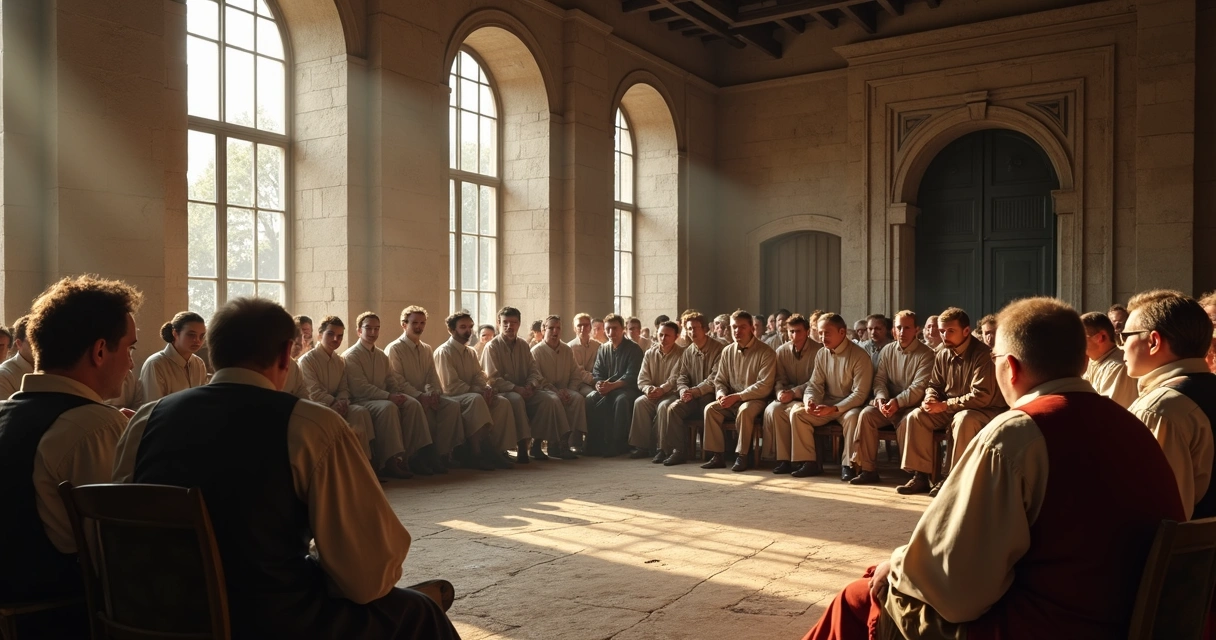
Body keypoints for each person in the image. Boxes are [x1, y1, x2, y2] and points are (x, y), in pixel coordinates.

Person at [802, 297, 1186, 640]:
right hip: (1129, 616)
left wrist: (895, 567)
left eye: (996, 359)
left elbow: (955, 590)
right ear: (1083, 362)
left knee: (858, 598)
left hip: (1050, 625)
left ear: (1012, 368)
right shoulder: (1133, 423)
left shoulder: (1017, 433)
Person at [113, 297, 460, 640]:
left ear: (212, 352)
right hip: (269, 620)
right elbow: (367, 576)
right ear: (285, 355)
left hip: (159, 613)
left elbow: (118, 533)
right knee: (419, 611)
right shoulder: (309, 425)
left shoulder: (146, 420)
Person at [0, 275, 139, 624]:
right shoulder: (95, 427)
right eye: (130, 349)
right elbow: (116, 557)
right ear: (100, 350)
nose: (132, 364)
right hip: (59, 620)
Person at [1124, 289, 1216, 519]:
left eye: (1125, 336)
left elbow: (1160, 511)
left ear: (1154, 341)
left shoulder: (1158, 409)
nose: (1122, 347)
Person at [897, 308, 1007, 496]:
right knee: (916, 416)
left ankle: (951, 479)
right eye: (942, 331)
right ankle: (921, 476)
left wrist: (945, 405)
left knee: (964, 419)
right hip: (951, 407)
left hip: (985, 410)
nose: (944, 336)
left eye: (950, 331)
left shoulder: (983, 355)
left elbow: (982, 396)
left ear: (966, 331)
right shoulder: (943, 353)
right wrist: (930, 397)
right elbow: (934, 384)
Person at [344, 312, 437, 474]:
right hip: (362, 400)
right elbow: (360, 388)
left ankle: (411, 456)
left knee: (412, 404)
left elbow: (391, 380)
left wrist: (396, 394)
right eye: (368, 328)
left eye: (377, 329)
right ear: (359, 331)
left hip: (382, 398)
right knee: (388, 407)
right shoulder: (351, 355)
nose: (373, 333)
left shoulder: (380, 355)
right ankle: (390, 461)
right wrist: (389, 396)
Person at [848, 310, 933, 485]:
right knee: (867, 414)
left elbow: (918, 387)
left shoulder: (926, 354)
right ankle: (867, 469)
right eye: (898, 327)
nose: (902, 332)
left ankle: (918, 475)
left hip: (912, 405)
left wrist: (898, 402)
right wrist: (880, 398)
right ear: (893, 330)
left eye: (907, 327)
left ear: (916, 329)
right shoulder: (887, 350)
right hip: (888, 404)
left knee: (911, 419)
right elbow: (880, 380)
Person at [790, 313, 873, 479]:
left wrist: (835, 408)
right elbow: (814, 384)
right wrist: (810, 401)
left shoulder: (859, 355)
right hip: (826, 405)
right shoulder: (821, 354)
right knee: (798, 414)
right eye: (820, 333)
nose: (822, 337)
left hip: (850, 406)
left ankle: (848, 465)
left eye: (827, 333)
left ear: (842, 332)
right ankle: (810, 462)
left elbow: (860, 394)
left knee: (853, 417)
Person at [481, 306, 566, 463]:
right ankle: (521, 447)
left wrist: (531, 385)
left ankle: (537, 444)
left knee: (549, 399)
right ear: (498, 323)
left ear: (519, 324)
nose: (509, 326)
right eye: (505, 322)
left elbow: (533, 371)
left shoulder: (523, 345)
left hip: (525, 390)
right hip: (504, 392)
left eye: (513, 322)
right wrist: (516, 388)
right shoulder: (492, 347)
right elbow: (492, 378)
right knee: (516, 399)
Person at [297, 316, 381, 473]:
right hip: (317, 406)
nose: (336, 339)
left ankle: (366, 464)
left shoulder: (340, 361)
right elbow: (313, 391)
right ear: (320, 335)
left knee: (360, 411)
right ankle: (348, 469)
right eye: (330, 334)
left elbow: (344, 388)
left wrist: (342, 401)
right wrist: (333, 402)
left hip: (338, 405)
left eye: (340, 335)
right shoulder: (307, 361)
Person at [433, 311, 515, 470]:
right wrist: (478, 391)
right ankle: (476, 453)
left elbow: (479, 374)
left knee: (502, 402)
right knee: (476, 400)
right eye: (463, 327)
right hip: (453, 398)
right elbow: (450, 385)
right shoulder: (444, 352)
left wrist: (486, 388)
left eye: (470, 327)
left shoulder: (470, 352)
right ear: (451, 330)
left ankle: (497, 450)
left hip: (471, 394)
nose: (468, 331)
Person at [385, 306, 466, 468]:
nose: (419, 327)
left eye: (422, 323)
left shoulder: (426, 348)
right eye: (414, 322)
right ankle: (417, 457)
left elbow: (432, 376)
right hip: (406, 396)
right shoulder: (394, 348)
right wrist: (419, 395)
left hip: (425, 395)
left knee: (452, 405)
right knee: (417, 406)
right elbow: (397, 380)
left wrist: (434, 392)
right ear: (404, 324)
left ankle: (441, 453)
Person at [702, 310, 776, 473]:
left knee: (745, 410)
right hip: (731, 398)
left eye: (742, 327)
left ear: (751, 328)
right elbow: (720, 379)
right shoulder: (727, 351)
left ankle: (742, 455)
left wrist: (738, 396)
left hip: (755, 399)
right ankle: (718, 455)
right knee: (711, 409)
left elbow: (765, 385)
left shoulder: (766, 352)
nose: (737, 331)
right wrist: (721, 394)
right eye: (734, 327)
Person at [659, 311, 725, 465]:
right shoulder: (688, 351)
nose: (692, 332)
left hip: (710, 394)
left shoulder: (719, 349)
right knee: (673, 408)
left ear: (705, 329)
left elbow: (715, 377)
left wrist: (696, 391)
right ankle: (679, 451)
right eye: (689, 329)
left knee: (707, 405)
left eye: (695, 328)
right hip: (691, 396)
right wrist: (683, 391)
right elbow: (681, 376)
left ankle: (712, 451)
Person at [763, 314, 820, 471]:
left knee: (795, 411)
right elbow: (779, 378)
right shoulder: (781, 351)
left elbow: (816, 380)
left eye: (798, 331)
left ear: (807, 331)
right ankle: (784, 459)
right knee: (773, 409)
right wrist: (780, 392)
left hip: (810, 395)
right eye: (791, 332)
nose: (794, 335)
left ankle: (802, 460)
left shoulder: (819, 351)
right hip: (788, 395)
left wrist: (795, 392)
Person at [586, 314, 645, 457]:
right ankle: (594, 442)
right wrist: (599, 384)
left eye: (615, 328)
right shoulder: (603, 348)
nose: (611, 333)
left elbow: (632, 375)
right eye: (608, 329)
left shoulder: (634, 349)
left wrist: (612, 386)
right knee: (589, 398)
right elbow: (597, 371)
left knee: (621, 400)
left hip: (627, 389)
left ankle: (617, 444)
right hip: (608, 388)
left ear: (623, 329)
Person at [627, 320, 685, 460]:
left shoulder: (682, 353)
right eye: (660, 335)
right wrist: (648, 389)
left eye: (667, 336)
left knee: (664, 406)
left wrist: (662, 389)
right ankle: (642, 446)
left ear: (676, 336)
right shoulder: (649, 353)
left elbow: (676, 378)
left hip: (672, 394)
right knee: (640, 402)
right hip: (654, 393)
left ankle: (662, 448)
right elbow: (642, 378)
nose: (663, 339)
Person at [529, 315, 584, 459]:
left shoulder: (567, 350)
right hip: (544, 391)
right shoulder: (536, 351)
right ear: (543, 329)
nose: (555, 331)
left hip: (564, 390)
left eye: (558, 328)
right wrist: (556, 391)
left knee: (577, 399)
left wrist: (569, 390)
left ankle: (564, 442)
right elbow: (537, 377)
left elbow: (575, 374)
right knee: (553, 400)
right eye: (551, 328)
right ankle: (543, 443)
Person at [140, 311, 208, 402]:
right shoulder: (155, 364)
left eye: (202, 336)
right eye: (191, 335)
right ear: (175, 333)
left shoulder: (199, 363)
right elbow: (152, 407)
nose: (197, 341)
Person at [1079, 311, 1137, 408]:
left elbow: (1109, 412)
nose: (1077, 343)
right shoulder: (1093, 361)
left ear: (1101, 337)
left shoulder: (1118, 367)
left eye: (1081, 338)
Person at [0, 316, 35, 399]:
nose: (39, 345)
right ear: (19, 344)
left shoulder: (57, 369)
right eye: (33, 341)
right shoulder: (4, 375)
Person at [567, 312, 601, 397]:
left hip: (596, 381)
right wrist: (594, 380)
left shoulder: (597, 346)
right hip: (578, 384)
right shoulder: (570, 347)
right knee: (594, 395)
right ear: (574, 328)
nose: (583, 328)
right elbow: (578, 371)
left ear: (590, 327)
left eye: (586, 325)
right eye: (579, 326)